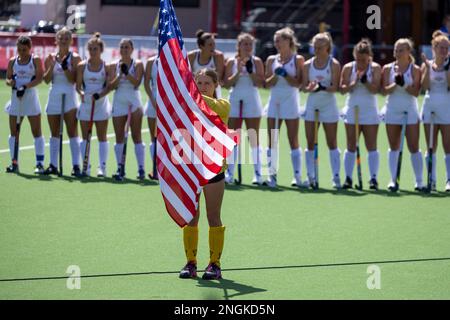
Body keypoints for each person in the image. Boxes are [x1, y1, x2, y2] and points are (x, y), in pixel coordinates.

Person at [179, 69, 229, 280]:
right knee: (191, 217)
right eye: (198, 82)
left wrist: (188, 94)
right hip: (192, 167)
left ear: (215, 84)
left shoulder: (222, 105)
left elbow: (204, 104)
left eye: (207, 82)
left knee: (213, 216)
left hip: (214, 168)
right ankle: (191, 263)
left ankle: (214, 264)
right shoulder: (189, 104)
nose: (202, 86)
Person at [264, 27, 306, 188]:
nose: (277, 43)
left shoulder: (298, 59)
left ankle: (297, 177)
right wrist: (276, 75)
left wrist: (286, 75)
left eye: (279, 40)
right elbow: (266, 85)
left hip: (291, 101)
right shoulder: (271, 60)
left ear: (288, 41)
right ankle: (272, 177)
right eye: (275, 41)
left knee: (293, 139)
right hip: (274, 101)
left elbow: (299, 83)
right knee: (272, 140)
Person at [380, 38, 423, 191]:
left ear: (408, 52)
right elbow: (384, 91)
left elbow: (416, 92)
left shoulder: (415, 69)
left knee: (413, 146)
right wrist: (395, 83)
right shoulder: (387, 68)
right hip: (392, 109)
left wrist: (404, 83)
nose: (398, 53)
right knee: (394, 146)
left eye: (401, 50)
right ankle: (393, 180)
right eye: (396, 50)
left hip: (410, 110)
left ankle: (419, 181)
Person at [223, 32, 265, 185]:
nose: (247, 47)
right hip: (235, 98)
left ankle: (258, 174)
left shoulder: (257, 61)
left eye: (250, 44)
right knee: (232, 137)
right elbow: (227, 84)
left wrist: (250, 70)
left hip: (252, 98)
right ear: (238, 46)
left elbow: (260, 83)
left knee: (253, 136)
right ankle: (230, 172)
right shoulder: (231, 62)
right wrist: (238, 72)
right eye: (244, 44)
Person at [339, 39, 382, 190]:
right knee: (351, 145)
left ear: (369, 57)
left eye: (363, 60)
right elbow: (342, 89)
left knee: (371, 146)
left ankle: (373, 179)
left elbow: (376, 90)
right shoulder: (347, 68)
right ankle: (348, 178)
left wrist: (365, 82)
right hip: (352, 109)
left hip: (369, 111)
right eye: (358, 59)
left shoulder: (375, 68)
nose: (361, 62)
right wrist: (354, 82)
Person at [302, 32, 342, 189]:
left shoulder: (334, 64)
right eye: (315, 45)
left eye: (320, 46)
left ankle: (336, 177)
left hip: (328, 105)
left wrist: (321, 87)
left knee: (331, 142)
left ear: (328, 47)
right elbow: (304, 87)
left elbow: (335, 87)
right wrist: (309, 88)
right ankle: (311, 176)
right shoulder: (307, 65)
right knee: (310, 142)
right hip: (312, 104)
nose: (317, 48)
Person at [42, 27, 82, 176]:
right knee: (54, 133)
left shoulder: (76, 58)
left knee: (72, 131)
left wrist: (65, 68)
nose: (63, 41)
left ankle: (76, 165)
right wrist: (51, 67)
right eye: (61, 38)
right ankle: (53, 164)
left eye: (67, 38)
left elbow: (73, 80)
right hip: (54, 95)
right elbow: (46, 80)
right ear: (56, 40)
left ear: (71, 41)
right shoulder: (50, 57)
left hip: (69, 96)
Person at [5, 36, 44, 174]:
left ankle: (40, 164)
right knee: (14, 133)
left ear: (30, 48)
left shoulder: (35, 60)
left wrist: (25, 86)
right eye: (19, 49)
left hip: (31, 98)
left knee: (36, 132)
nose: (22, 52)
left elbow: (40, 78)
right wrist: (12, 83)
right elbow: (8, 79)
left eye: (24, 50)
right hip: (16, 99)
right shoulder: (12, 61)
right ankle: (14, 163)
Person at [76, 33, 112, 177]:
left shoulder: (106, 66)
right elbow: (78, 86)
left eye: (95, 49)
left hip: (101, 104)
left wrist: (100, 95)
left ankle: (102, 167)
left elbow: (109, 86)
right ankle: (86, 165)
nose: (92, 52)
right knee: (85, 137)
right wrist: (82, 93)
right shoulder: (81, 66)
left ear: (101, 50)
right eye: (90, 49)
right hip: (86, 105)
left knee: (102, 136)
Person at [110, 38, 146, 181]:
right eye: (122, 47)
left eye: (127, 47)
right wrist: (120, 75)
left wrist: (127, 73)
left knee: (136, 136)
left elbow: (137, 83)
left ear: (132, 49)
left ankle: (141, 169)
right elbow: (111, 85)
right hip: (119, 101)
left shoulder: (137, 64)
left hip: (133, 101)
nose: (124, 49)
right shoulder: (114, 65)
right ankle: (120, 167)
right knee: (119, 137)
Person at [420, 33, 450, 192]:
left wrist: (446, 67)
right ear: (434, 48)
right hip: (430, 105)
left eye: (447, 48)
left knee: (448, 145)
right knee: (431, 145)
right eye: (441, 47)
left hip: (446, 106)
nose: (444, 50)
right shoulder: (427, 64)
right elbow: (425, 87)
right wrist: (426, 67)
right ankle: (431, 179)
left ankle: (449, 180)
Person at [188, 30, 225, 98]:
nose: (213, 47)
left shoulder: (218, 56)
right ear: (201, 46)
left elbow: (218, 78)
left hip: (213, 92)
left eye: (214, 44)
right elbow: (186, 76)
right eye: (210, 45)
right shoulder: (191, 56)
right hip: (195, 91)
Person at [144, 55, 158, 180]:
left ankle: (166, 169)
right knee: (154, 137)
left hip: (168, 102)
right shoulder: (150, 61)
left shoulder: (173, 59)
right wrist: (153, 101)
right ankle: (155, 169)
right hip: (153, 101)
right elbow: (146, 83)